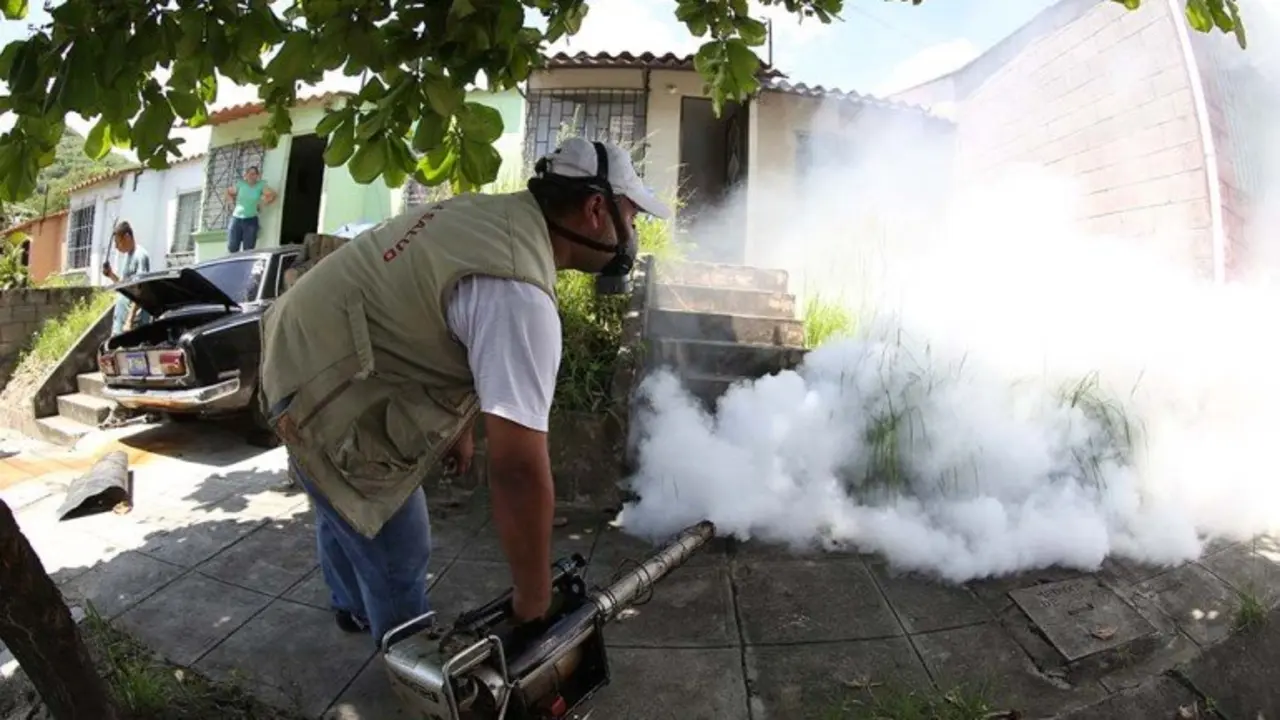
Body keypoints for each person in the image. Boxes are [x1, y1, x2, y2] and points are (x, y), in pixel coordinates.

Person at [257, 137, 670, 644]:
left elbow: (429, 308)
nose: (634, 233)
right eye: (632, 216)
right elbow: (518, 471)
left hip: (295, 346)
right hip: (318, 389)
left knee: (334, 500)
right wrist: (534, 599)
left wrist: (460, 426)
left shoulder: (490, 215)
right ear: (595, 209)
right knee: (397, 544)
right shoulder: (518, 296)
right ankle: (409, 660)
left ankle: (350, 605)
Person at [102, 221, 152, 335]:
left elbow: (140, 290)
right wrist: (110, 274)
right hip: (121, 322)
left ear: (127, 237)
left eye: (117, 242)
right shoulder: (128, 256)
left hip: (133, 324)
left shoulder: (140, 256)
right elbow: (125, 286)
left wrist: (129, 321)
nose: (116, 247)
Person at [225, 166, 276, 253]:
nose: (252, 176)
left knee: (248, 249)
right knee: (232, 247)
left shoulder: (260, 185)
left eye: (254, 174)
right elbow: (228, 192)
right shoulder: (241, 184)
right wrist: (231, 203)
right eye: (250, 174)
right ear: (246, 175)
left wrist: (261, 204)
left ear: (257, 176)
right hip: (236, 219)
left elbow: (272, 195)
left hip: (250, 220)